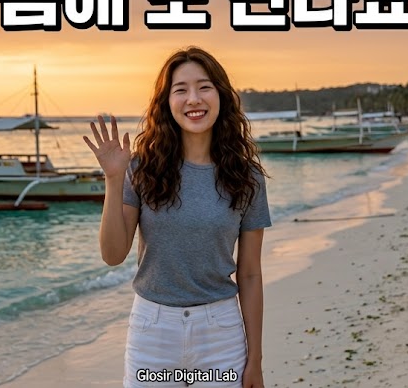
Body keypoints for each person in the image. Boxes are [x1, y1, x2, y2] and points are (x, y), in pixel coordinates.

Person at [84, 46, 271, 388]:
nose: (193, 99)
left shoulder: (247, 177)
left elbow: (250, 274)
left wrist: (255, 360)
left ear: (221, 95)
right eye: (180, 90)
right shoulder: (142, 169)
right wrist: (113, 179)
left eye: (204, 87)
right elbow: (112, 255)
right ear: (166, 103)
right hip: (153, 333)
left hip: (221, 334)